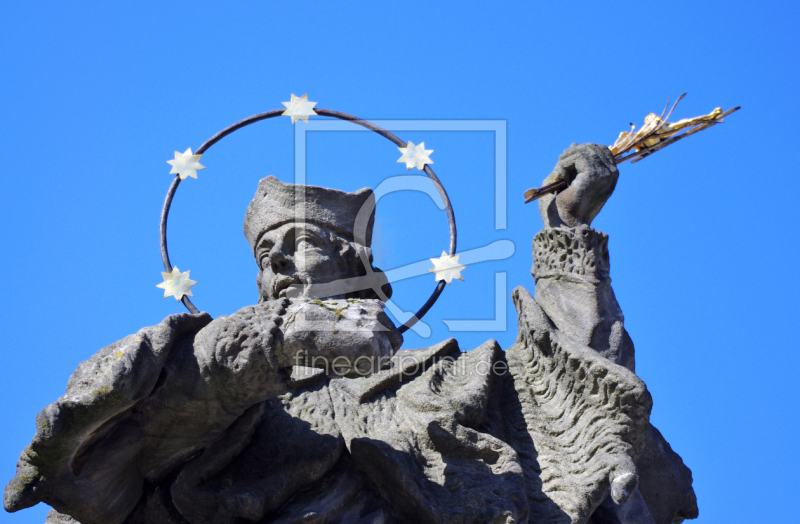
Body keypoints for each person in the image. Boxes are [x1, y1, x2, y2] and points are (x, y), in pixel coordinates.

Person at [5, 147, 698, 524]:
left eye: (297, 242)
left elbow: (585, 392)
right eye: (263, 254)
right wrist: (274, 341)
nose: (275, 260)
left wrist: (566, 232)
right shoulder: (223, 405)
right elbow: (109, 435)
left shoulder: (463, 378)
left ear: (358, 265)